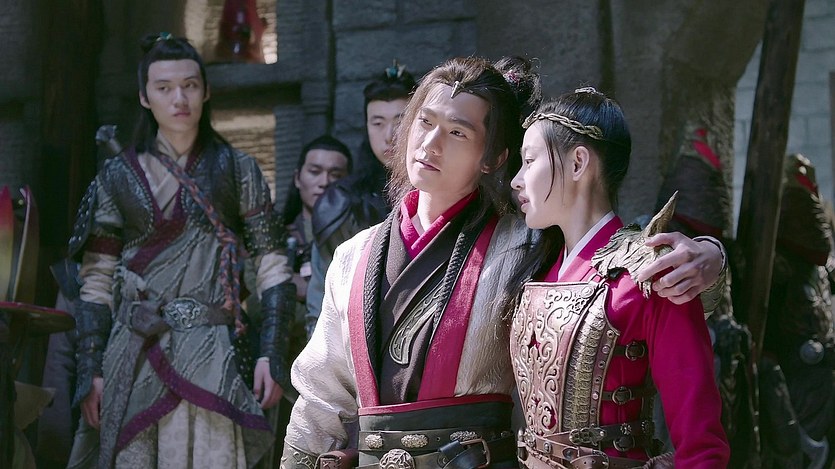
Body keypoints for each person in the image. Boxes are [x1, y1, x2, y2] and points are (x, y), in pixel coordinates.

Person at [280, 57, 728, 469]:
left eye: (457, 133)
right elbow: (320, 394)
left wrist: (710, 257)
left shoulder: (526, 242)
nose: (430, 144)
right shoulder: (354, 254)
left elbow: (616, 264)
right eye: (424, 122)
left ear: (493, 157)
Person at [66, 33, 295, 468]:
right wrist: (91, 369)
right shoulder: (117, 176)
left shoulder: (238, 169)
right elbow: (96, 280)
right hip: (133, 355)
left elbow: (273, 268)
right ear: (144, 96)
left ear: (205, 91)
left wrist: (272, 353)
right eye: (164, 87)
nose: (179, 99)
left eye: (190, 85)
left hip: (214, 352)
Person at [507, 88, 729, 467]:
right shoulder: (540, 270)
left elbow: (701, 443)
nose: (516, 180)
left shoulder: (651, 274)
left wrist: (714, 252)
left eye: (529, 161)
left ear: (578, 163)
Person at [305, 63, 416, 336]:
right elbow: (321, 301)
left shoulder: (444, 192)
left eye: (400, 121)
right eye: (377, 123)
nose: (389, 135)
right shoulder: (343, 203)